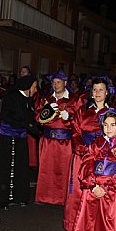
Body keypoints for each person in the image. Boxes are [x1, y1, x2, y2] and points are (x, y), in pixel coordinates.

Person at [64, 77, 112, 231]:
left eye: (101, 90)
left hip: (103, 159)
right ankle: (76, 225)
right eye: (95, 89)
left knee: (99, 191)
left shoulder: (112, 114)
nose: (97, 93)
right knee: (78, 190)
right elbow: (75, 132)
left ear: (107, 92)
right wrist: (82, 148)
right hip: (83, 155)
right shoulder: (82, 112)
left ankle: (97, 228)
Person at [0, 75, 40, 209]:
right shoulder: (11, 97)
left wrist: (36, 126)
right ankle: (3, 198)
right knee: (6, 167)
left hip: (21, 137)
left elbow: (29, 118)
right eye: (34, 87)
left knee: (21, 166)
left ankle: (20, 196)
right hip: (8, 136)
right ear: (28, 87)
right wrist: (26, 125)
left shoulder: (29, 100)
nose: (36, 90)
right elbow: (7, 117)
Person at [35, 71, 76, 205]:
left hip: (65, 141)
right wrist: (45, 116)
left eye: (58, 82)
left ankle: (62, 198)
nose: (55, 85)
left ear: (65, 83)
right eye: (53, 82)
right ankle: (45, 197)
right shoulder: (46, 99)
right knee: (46, 170)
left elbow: (79, 121)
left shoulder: (73, 100)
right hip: (48, 140)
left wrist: (68, 117)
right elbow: (37, 117)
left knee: (63, 170)